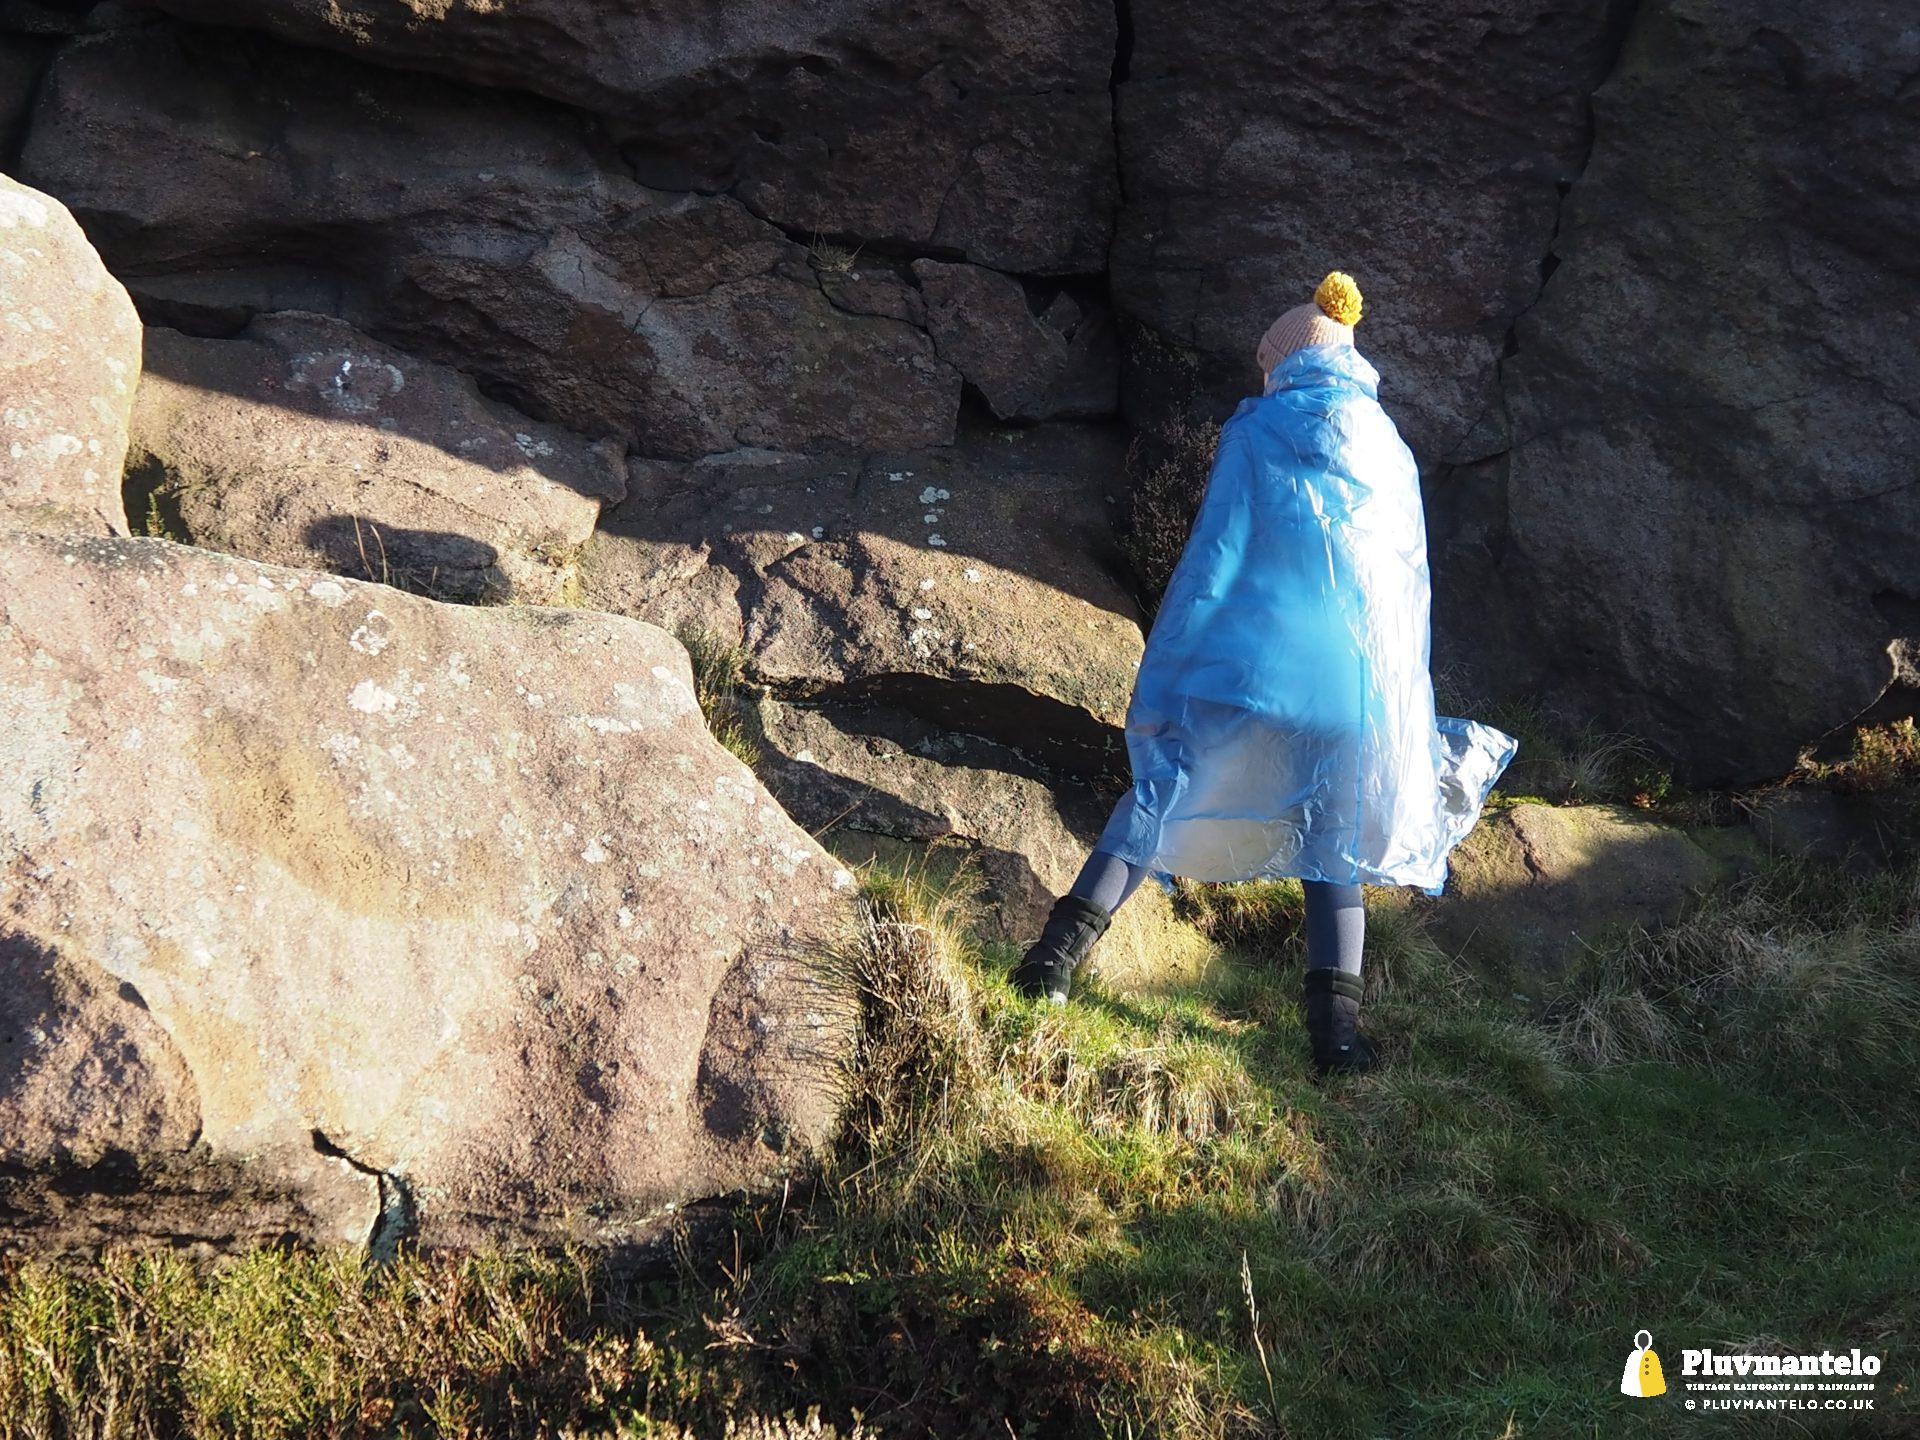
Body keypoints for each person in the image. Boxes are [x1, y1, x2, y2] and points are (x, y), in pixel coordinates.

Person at [1011, 271, 1517, 1076]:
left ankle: (1052, 963)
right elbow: (1403, 588)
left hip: (1252, 668)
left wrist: (1178, 654)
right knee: (1333, 849)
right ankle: (1337, 1040)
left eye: (1269, 363)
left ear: (1288, 361)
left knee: (1162, 792)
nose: (1266, 376)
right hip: (1353, 693)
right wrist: (1393, 706)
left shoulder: (1259, 429)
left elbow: (1218, 553)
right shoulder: (1390, 448)